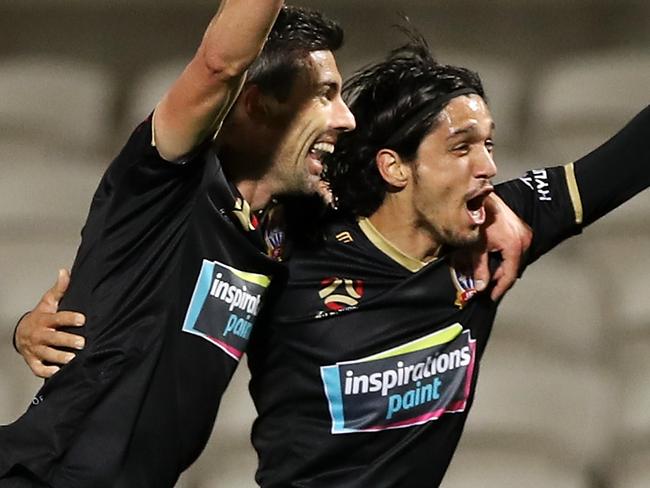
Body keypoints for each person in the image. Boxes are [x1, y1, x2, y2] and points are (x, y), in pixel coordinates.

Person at [247, 35, 650, 487]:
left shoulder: (492, 235)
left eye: (489, 145)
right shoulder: (292, 253)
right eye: (461, 148)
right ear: (395, 167)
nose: (487, 167)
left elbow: (632, 158)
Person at [0, 3, 358, 487]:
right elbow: (219, 64)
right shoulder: (168, 181)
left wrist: (499, 212)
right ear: (254, 103)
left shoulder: (281, 229)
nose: (346, 118)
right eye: (325, 94)